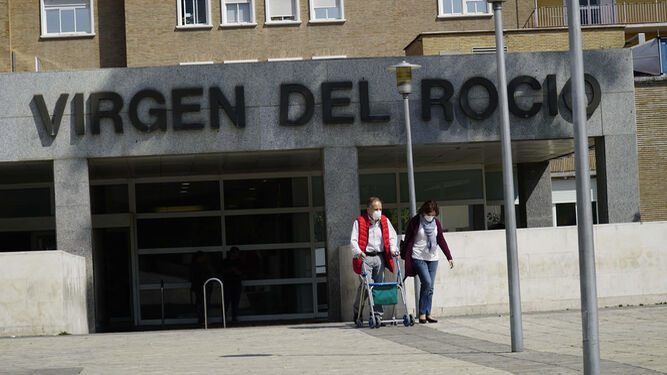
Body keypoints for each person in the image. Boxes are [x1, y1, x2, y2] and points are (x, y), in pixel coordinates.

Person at [402, 200, 454, 324]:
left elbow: (440, 239)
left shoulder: (436, 223)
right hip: (418, 256)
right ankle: (422, 313)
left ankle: (427, 313)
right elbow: (408, 238)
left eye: (433, 214)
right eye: (428, 214)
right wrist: (404, 254)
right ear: (423, 212)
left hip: (433, 258)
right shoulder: (415, 222)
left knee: (430, 287)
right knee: (427, 282)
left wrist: (449, 257)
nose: (430, 216)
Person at [350, 196, 399, 322]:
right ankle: (358, 311)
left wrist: (393, 249)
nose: (379, 211)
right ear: (368, 210)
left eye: (380, 209)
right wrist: (358, 252)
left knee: (378, 287)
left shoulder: (384, 221)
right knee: (366, 286)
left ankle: (377, 315)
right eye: (376, 209)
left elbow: (392, 237)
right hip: (365, 257)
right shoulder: (359, 221)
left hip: (379, 257)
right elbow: (354, 240)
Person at [190, 251, 215, 325]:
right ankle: (201, 319)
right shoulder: (195, 266)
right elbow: (195, 277)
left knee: (204, 303)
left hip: (205, 287)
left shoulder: (204, 265)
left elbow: (211, 273)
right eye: (203, 257)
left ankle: (203, 319)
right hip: (200, 287)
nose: (204, 258)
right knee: (201, 304)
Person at [222, 247, 243, 323]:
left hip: (236, 284)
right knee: (226, 302)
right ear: (232, 253)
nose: (237, 255)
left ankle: (234, 318)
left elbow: (242, 273)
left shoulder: (239, 262)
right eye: (236, 253)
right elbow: (222, 272)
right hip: (227, 284)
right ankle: (224, 318)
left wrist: (236, 271)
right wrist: (231, 270)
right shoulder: (225, 262)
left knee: (235, 302)